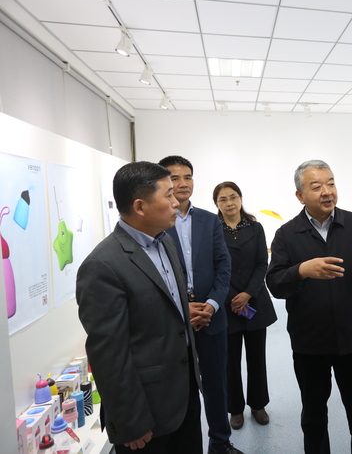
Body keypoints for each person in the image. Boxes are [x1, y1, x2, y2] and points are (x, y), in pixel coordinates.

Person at [76, 161, 203, 454]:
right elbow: (109, 353)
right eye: (168, 195)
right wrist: (130, 420)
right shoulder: (102, 265)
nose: (176, 201)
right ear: (140, 206)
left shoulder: (165, 242)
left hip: (183, 393)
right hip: (145, 411)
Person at [266, 160, 352, 454]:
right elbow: (275, 283)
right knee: (313, 416)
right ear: (300, 196)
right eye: (316, 186)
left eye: (331, 183)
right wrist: (301, 271)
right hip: (310, 342)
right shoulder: (287, 234)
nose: (327, 191)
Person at [158, 156, 240, 454]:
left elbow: (223, 266)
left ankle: (220, 442)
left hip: (211, 316)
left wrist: (213, 305)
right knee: (180, 387)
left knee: (217, 383)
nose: (183, 183)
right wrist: (184, 307)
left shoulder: (209, 220)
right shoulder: (157, 222)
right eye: (174, 178)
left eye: (188, 177)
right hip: (173, 320)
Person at [212, 181, 277, 430]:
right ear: (217, 204)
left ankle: (258, 405)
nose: (229, 203)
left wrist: (248, 293)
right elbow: (214, 266)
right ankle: (235, 409)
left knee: (257, 359)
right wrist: (232, 297)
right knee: (230, 362)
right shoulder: (213, 230)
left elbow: (262, 263)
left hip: (254, 301)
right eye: (223, 199)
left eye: (233, 197)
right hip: (226, 303)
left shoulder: (255, 228)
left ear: (240, 198)